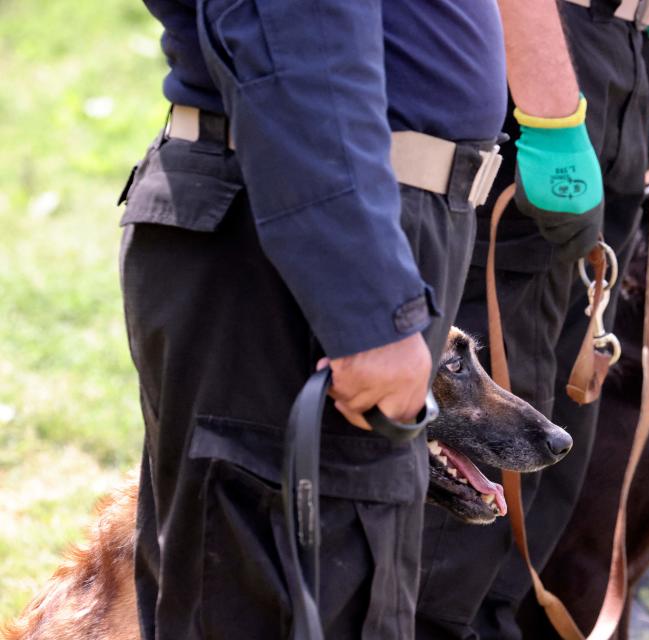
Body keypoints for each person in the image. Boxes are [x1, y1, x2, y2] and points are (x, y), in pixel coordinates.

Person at [118, 0, 598, 638]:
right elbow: (298, 44)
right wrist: (369, 305)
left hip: (355, 205)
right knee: (277, 605)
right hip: (318, 216)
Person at [415, 1, 649, 637]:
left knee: (545, 478)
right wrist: (549, 122)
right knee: (457, 512)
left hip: (628, 64)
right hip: (535, 70)